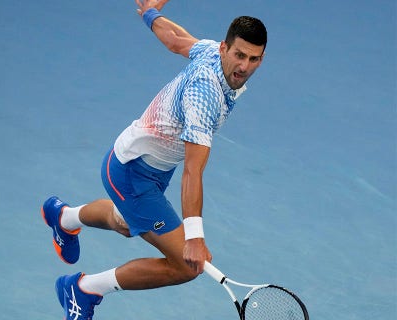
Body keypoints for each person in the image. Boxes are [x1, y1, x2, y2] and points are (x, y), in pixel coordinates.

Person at [41, 0, 267, 318]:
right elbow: (192, 171)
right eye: (239, 55)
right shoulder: (205, 96)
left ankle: (62, 216)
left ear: (261, 58)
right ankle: (84, 289)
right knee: (186, 266)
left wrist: (150, 14)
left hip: (151, 167)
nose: (244, 66)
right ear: (224, 49)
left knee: (124, 222)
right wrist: (195, 238)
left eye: (253, 59)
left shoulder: (209, 52)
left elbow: (176, 40)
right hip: (132, 172)